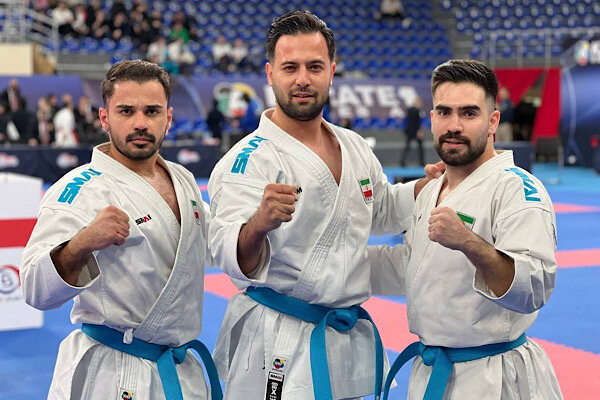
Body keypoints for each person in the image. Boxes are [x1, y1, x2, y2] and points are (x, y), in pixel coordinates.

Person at [208, 11, 439, 400]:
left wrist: (429, 187)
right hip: (278, 341)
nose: (303, 79)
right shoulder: (248, 161)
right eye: (290, 67)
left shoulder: (353, 145)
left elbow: (381, 209)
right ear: (270, 73)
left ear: (331, 71)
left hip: (341, 338)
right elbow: (230, 255)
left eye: (314, 67)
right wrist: (259, 224)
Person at [20, 60, 222, 400]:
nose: (140, 123)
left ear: (168, 118)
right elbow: (35, 289)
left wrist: (259, 222)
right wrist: (82, 244)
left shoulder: (183, 179)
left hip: (179, 370)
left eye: (152, 111)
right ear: (104, 118)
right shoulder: (79, 190)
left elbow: (216, 247)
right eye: (126, 111)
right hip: (113, 373)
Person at [369, 59, 562, 400]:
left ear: (493, 121)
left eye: (469, 113)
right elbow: (416, 269)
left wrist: (468, 242)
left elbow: (534, 288)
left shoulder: (517, 189)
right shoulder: (430, 190)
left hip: (494, 377)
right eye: (444, 112)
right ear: (431, 119)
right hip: (431, 369)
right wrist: (326, 263)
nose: (454, 125)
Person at [400, 96, 425, 166]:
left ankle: (403, 161)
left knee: (409, 147)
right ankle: (421, 162)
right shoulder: (415, 110)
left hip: (411, 131)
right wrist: (418, 131)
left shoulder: (412, 110)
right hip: (413, 131)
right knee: (412, 147)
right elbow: (415, 123)